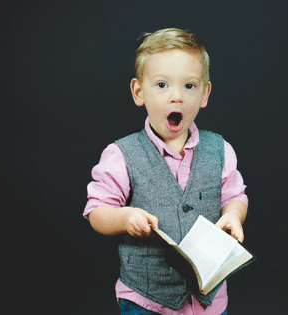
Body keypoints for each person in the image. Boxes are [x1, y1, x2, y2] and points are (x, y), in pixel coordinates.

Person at [83, 28, 248, 315]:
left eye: (189, 86)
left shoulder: (220, 149)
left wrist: (233, 214)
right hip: (146, 301)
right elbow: (96, 211)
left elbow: (235, 195)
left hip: (208, 301)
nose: (176, 97)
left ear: (205, 93)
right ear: (139, 92)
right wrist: (124, 217)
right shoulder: (121, 155)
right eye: (162, 85)